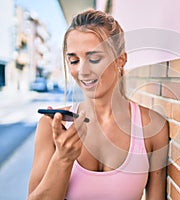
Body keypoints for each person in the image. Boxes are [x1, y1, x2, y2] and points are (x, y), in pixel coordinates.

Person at [27, 9, 169, 200]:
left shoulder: (153, 128)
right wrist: (62, 160)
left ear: (121, 59)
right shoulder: (51, 127)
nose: (83, 71)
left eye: (94, 59)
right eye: (74, 60)